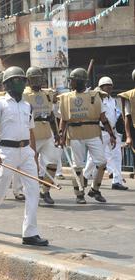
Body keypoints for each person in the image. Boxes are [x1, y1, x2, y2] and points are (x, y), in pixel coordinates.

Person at [0, 66, 48, 246]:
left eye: (22, 80)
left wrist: (33, 155)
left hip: (26, 151)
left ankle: (30, 233)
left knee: (33, 191)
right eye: (16, 80)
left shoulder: (27, 105)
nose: (20, 83)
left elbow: (31, 132)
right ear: (8, 84)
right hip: (6, 152)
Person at [58, 68, 115, 204]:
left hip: (93, 133)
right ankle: (79, 194)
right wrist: (61, 135)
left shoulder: (95, 96)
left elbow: (103, 118)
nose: (70, 83)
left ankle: (94, 190)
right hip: (75, 134)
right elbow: (63, 120)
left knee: (102, 163)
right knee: (77, 166)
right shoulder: (66, 98)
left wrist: (112, 134)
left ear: (79, 82)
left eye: (72, 80)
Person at [23, 66, 61, 205]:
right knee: (32, 167)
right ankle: (32, 192)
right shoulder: (23, 94)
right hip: (30, 135)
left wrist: (56, 134)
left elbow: (51, 115)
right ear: (28, 80)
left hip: (46, 134)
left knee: (53, 162)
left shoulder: (47, 94)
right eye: (34, 78)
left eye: (39, 78)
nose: (37, 80)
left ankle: (45, 190)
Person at [84, 77, 127, 190]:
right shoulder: (97, 98)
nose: (109, 87)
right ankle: (84, 176)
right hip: (100, 131)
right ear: (101, 87)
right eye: (106, 85)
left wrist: (114, 133)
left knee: (117, 156)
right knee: (94, 157)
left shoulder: (112, 100)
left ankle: (117, 181)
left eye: (110, 85)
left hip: (112, 131)